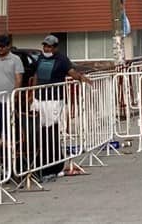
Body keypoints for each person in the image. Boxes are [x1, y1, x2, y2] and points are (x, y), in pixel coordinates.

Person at [30, 35, 91, 180]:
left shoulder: (62, 59)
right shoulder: (40, 58)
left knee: (51, 131)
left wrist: (82, 78)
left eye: (49, 47)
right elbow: (36, 75)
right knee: (41, 132)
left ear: (56, 47)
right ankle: (43, 165)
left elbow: (71, 72)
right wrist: (31, 93)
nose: (46, 49)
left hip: (54, 100)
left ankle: (55, 165)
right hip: (39, 99)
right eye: (45, 46)